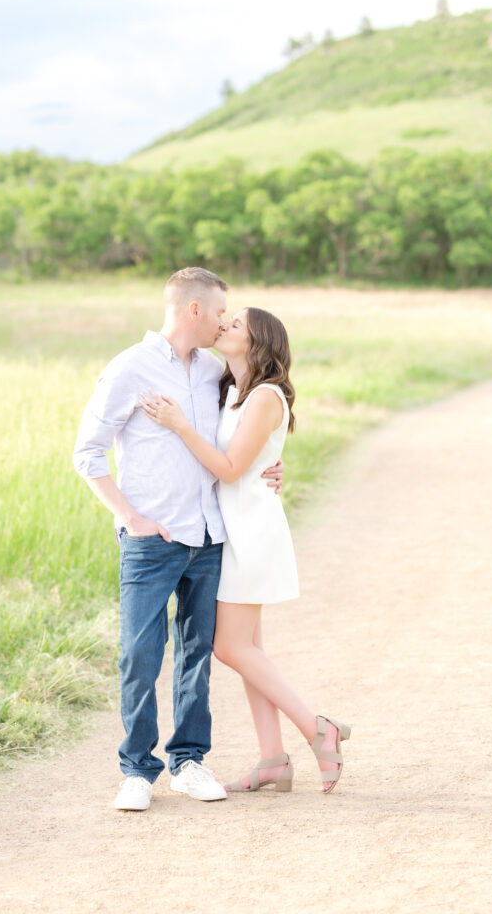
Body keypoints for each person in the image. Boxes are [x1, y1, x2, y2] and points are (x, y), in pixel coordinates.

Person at [72, 269, 284, 812]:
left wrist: (272, 467)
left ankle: (188, 762)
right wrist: (129, 517)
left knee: (197, 656)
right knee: (141, 654)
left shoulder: (215, 372)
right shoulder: (129, 368)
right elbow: (87, 454)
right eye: (220, 313)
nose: (223, 323)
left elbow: (239, 439)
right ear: (194, 310)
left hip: (210, 535)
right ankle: (137, 771)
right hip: (151, 539)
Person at [140, 306, 351, 794]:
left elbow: (232, 468)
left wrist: (178, 424)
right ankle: (273, 759)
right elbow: (252, 458)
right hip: (230, 528)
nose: (225, 326)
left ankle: (319, 729)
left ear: (256, 343)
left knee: (229, 646)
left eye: (236, 325)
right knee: (250, 649)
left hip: (250, 531)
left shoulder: (265, 396)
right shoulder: (232, 390)